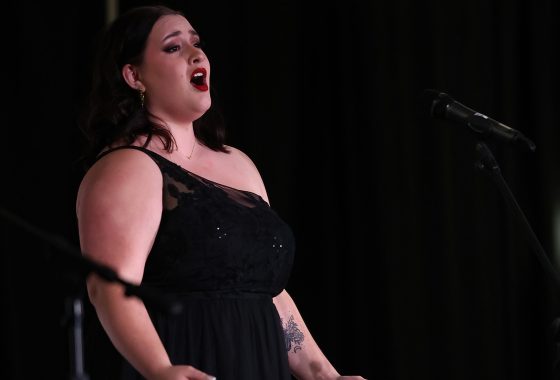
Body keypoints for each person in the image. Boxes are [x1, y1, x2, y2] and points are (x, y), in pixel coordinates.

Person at [76, 5, 366, 380]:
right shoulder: (127, 167)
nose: (196, 54)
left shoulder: (239, 164)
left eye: (196, 43)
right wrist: (160, 369)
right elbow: (112, 288)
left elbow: (268, 290)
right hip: (194, 361)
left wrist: (322, 373)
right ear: (134, 76)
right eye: (173, 47)